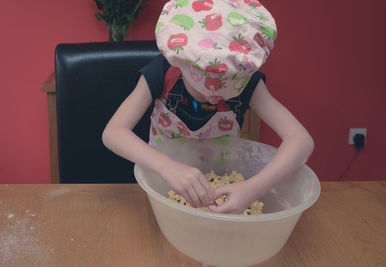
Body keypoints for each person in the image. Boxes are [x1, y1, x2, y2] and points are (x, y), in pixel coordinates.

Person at [102, 0, 314, 214]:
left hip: (223, 182)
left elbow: (301, 140)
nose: (213, 101)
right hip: (163, 183)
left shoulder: (249, 82)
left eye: (226, 95)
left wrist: (253, 188)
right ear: (182, 67)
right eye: (204, 91)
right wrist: (166, 166)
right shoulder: (162, 72)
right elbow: (113, 133)